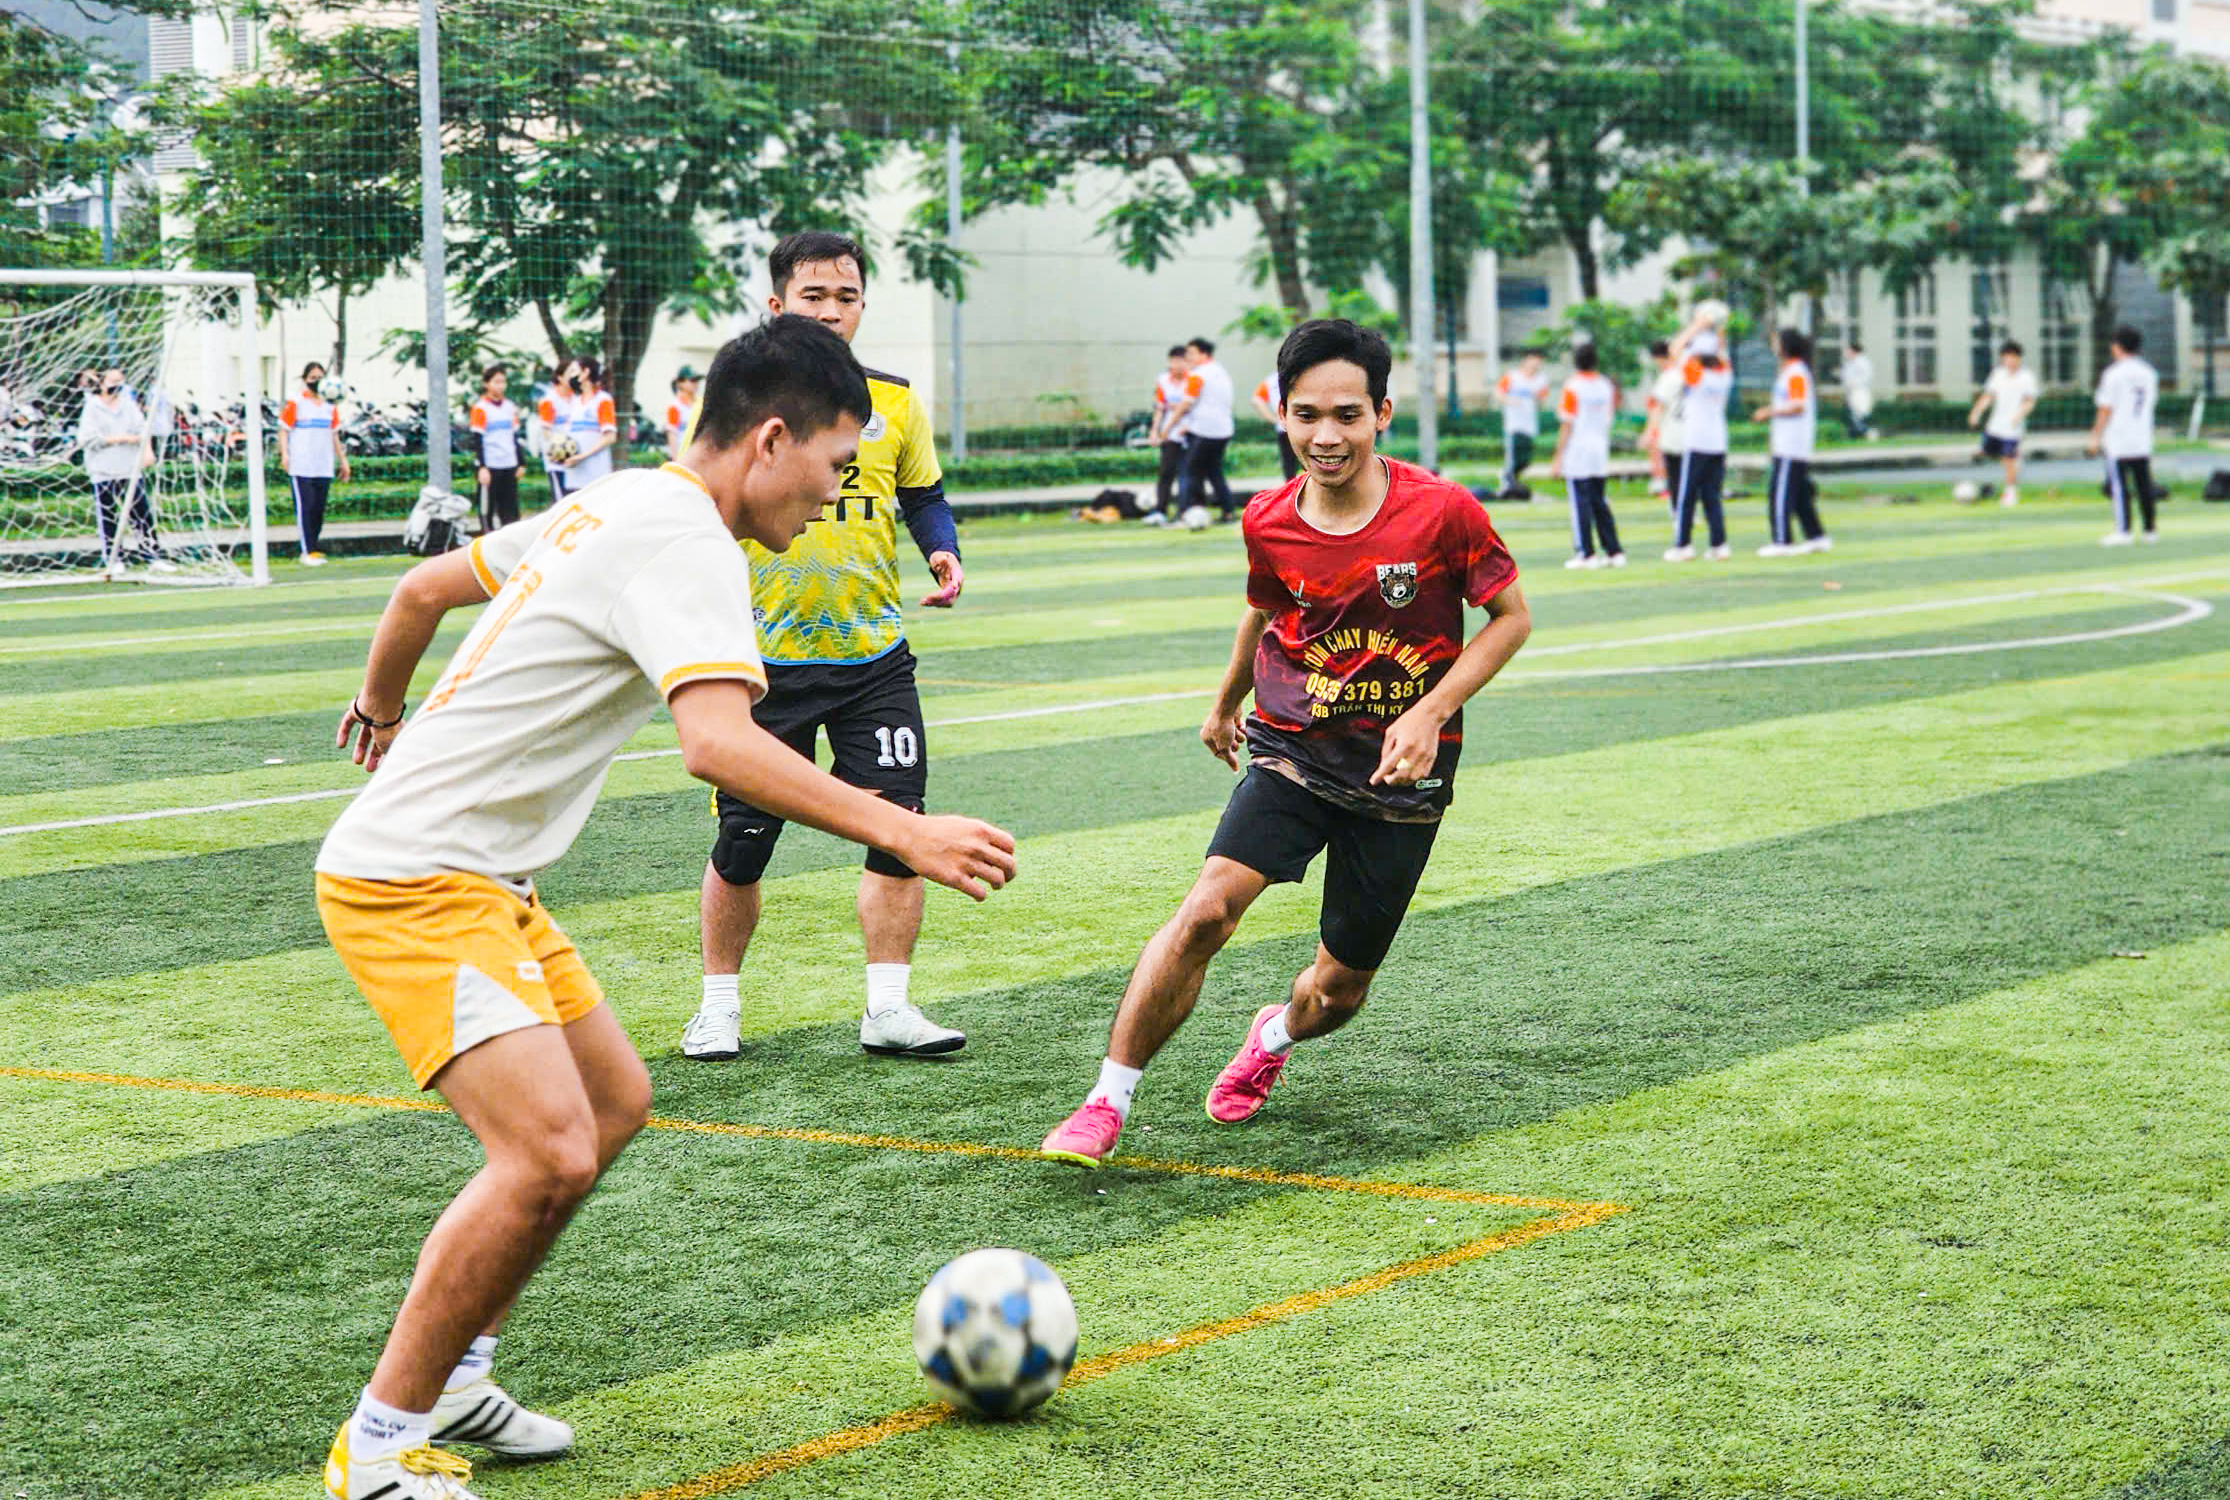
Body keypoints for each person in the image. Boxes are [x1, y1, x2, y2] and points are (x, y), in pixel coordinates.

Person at [313, 316, 1018, 1500]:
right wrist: (904, 827)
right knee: (541, 1154)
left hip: (482, 876)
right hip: (415, 880)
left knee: (611, 1103)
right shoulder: (687, 538)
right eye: (838, 466)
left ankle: (455, 1378)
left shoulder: (621, 498)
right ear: (773, 440)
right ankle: (376, 1449)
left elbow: (422, 587)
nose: (839, 493)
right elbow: (716, 746)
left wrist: (382, 712)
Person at [1038, 318, 1530, 1167]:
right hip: (1294, 749)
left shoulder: (1444, 512)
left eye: (1346, 415)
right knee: (1205, 912)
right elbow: (1265, 609)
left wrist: (1427, 713)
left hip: (1402, 775)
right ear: (1281, 413)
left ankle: (1274, 1034)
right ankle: (1105, 1101)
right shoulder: (1269, 518)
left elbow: (1510, 620)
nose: (1326, 436)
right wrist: (1223, 703)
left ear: (1381, 413)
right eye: (1306, 416)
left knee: (1337, 995)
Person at [677, 231, 972, 1064]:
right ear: (778, 306)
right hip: (759, 664)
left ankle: (889, 1007)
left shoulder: (896, 402)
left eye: (846, 296)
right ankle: (719, 1008)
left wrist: (941, 548)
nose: (832, 311)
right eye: (814, 297)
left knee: (898, 827)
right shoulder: (736, 405)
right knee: (742, 842)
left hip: (873, 655)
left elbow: (923, 495)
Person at [76, 366, 171, 577]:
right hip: (103, 471)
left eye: (120, 381)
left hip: (128, 469)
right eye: (112, 381)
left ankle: (152, 556)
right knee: (109, 516)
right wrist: (120, 439)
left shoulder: (128, 405)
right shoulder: (92, 408)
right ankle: (114, 559)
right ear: (101, 384)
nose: (116, 386)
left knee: (141, 515)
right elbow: (88, 440)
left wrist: (147, 451)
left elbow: (142, 429)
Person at [1754, 329, 1829, 557]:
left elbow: (1798, 405)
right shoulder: (1790, 371)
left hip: (1791, 444)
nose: (1774, 345)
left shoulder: (1796, 373)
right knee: (1799, 494)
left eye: (1777, 341)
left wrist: (1769, 411)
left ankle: (1782, 540)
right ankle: (1816, 537)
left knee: (1780, 492)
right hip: (1787, 443)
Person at [1664, 314, 1732, 562]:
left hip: (1697, 441)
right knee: (1712, 496)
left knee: (1687, 496)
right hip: (1718, 442)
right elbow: (1722, 352)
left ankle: (1683, 545)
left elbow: (1674, 349)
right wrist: (1717, 330)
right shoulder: (1724, 374)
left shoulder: (1695, 371)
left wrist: (1695, 326)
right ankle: (1719, 544)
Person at [1549, 342, 1623, 569]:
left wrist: (1558, 457)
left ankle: (1586, 554)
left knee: (1580, 504)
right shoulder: (1605, 386)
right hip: (1599, 449)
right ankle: (1614, 551)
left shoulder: (1573, 386)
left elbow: (1567, 425)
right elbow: (1610, 415)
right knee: (1600, 502)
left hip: (1578, 451)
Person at [2089, 324, 2160, 546]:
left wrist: (2095, 436)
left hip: (2119, 439)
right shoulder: (2149, 373)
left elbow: (2105, 408)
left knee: (2120, 487)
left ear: (2117, 347)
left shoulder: (2113, 374)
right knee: (2144, 484)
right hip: (2142, 437)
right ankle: (2150, 530)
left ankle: (2124, 530)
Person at [279, 361, 350, 566]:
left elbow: (334, 435)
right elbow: (284, 429)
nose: (316, 382)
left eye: (320, 378)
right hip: (302, 465)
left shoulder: (330, 406)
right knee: (306, 507)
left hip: (323, 465)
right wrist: (286, 454)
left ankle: (314, 548)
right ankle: (306, 551)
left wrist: (343, 461)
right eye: (312, 378)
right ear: (305, 380)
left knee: (318, 508)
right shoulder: (297, 403)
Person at [1166, 335, 1237, 523]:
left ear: (1203, 354)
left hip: (1204, 431)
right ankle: (1228, 510)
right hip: (1223, 430)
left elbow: (1185, 404)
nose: (1188, 357)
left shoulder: (1198, 374)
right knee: (1214, 471)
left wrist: (1168, 427)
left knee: (1189, 471)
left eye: (1191, 353)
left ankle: (1187, 512)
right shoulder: (1220, 371)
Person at [1969, 340, 2038, 507]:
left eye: (2013, 357)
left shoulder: (2026, 377)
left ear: (2019, 358)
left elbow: (2030, 401)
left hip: (2013, 428)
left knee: (2008, 460)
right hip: (1995, 425)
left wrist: (2018, 414)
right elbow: (1988, 396)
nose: (2010, 361)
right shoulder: (1997, 374)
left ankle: (2011, 492)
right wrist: (1976, 412)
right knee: (1986, 452)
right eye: (2006, 357)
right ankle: (2015, 463)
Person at [537, 358, 618, 498]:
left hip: (596, 475)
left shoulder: (603, 400)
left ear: (585, 373)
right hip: (574, 475)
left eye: (574, 371)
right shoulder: (575, 402)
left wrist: (582, 457)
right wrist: (558, 453)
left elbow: (610, 437)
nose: (571, 376)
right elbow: (568, 438)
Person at [466, 365, 524, 534]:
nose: (501, 385)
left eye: (503, 382)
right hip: (491, 465)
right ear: (487, 384)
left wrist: (521, 462)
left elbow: (515, 437)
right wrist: (481, 467)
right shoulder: (480, 408)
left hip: (509, 464)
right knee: (488, 509)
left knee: (511, 510)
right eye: (496, 382)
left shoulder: (510, 407)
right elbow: (477, 440)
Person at [1491, 349, 1548, 501]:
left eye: (1539, 360)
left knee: (1525, 459)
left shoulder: (1540, 380)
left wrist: (1538, 399)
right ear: (1526, 360)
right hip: (1513, 424)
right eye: (1533, 359)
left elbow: (1542, 399)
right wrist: (1509, 401)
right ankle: (1506, 483)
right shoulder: (1513, 376)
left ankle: (1513, 481)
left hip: (1529, 424)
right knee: (1513, 456)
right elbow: (1498, 392)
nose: (1536, 363)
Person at [1145, 345, 1189, 524]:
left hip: (1189, 431)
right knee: (1166, 472)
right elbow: (1160, 408)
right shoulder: (1163, 380)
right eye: (1174, 361)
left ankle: (1185, 511)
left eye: (1181, 361)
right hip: (1169, 434)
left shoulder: (1193, 379)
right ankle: (1160, 510)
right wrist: (1155, 430)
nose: (1177, 365)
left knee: (1186, 474)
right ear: (1169, 362)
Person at [1641, 339, 1684, 504]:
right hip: (1690, 436)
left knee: (1675, 479)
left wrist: (1649, 431)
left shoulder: (1669, 377)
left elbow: (1656, 407)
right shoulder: (1688, 373)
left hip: (1672, 436)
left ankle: (1679, 516)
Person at [1252, 368, 1300, 481]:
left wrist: (1273, 419)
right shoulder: (1302, 374)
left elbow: (1257, 400)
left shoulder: (1272, 379)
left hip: (1283, 426)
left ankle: (1291, 492)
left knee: (1289, 465)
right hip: (1305, 425)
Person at [1841, 340, 1875, 439]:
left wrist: (1853, 383)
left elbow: (1866, 377)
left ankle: (1868, 433)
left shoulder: (1862, 362)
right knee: (1853, 415)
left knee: (1859, 414)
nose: (1846, 353)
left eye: (1848, 350)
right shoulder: (1851, 362)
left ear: (1853, 351)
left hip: (1860, 391)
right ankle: (1858, 434)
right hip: (1852, 392)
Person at [665, 366, 700, 460]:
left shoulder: (701, 404)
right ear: (681, 383)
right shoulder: (675, 407)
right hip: (682, 457)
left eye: (697, 380)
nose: (696, 383)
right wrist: (676, 460)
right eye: (692, 380)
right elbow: (672, 434)